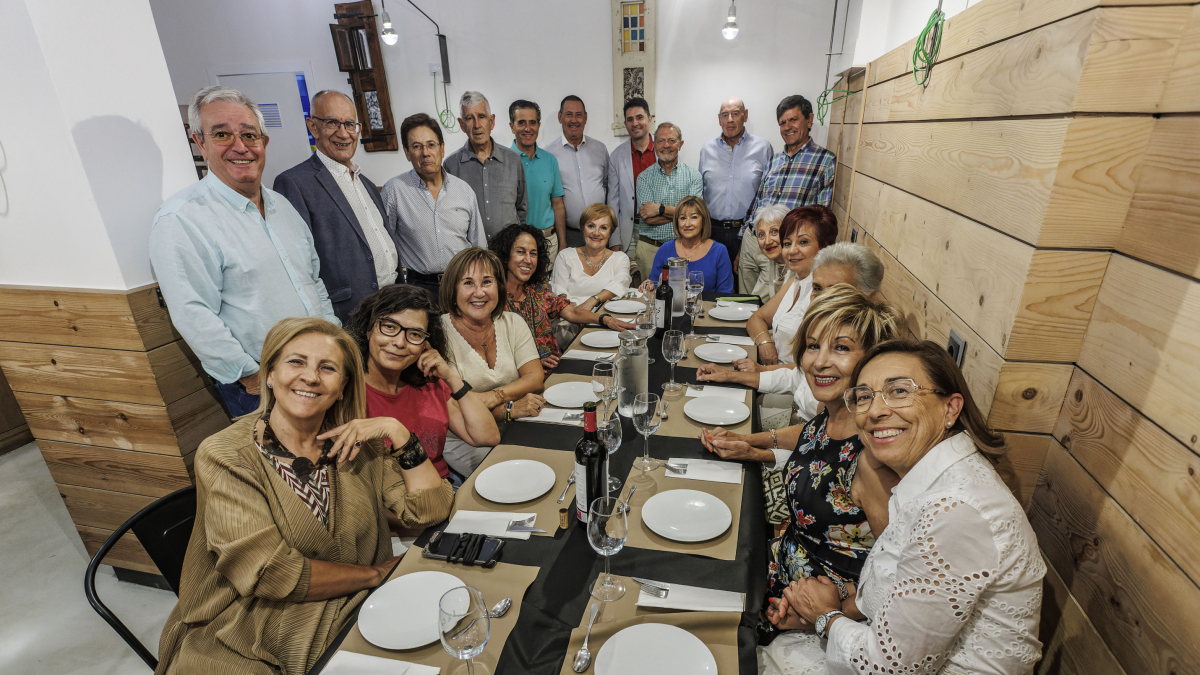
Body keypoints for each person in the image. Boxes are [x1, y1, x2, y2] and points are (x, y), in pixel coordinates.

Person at [155, 317, 453, 675]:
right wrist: (375, 575)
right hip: (252, 625)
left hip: (356, 605)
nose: (311, 377)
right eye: (296, 362)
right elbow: (271, 573)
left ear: (342, 386)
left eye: (327, 368)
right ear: (269, 374)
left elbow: (431, 511)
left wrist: (398, 431)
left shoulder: (356, 442)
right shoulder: (226, 455)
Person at [763, 339, 1044, 675]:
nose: (876, 411)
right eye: (864, 397)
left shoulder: (956, 510)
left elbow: (887, 668)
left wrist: (825, 617)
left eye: (899, 391)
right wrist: (823, 602)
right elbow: (895, 589)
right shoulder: (925, 482)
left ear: (950, 409)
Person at [699, 288, 903, 640]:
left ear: (872, 361)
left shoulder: (873, 458)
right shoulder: (836, 411)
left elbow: (896, 578)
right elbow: (811, 438)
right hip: (782, 570)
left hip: (810, 609)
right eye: (812, 346)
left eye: (841, 348)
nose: (820, 362)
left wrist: (823, 617)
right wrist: (749, 441)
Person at [150, 86, 339, 419]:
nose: (240, 147)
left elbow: (313, 281)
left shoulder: (282, 206)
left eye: (249, 135)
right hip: (261, 386)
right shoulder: (182, 218)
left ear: (264, 142)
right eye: (222, 134)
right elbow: (193, 313)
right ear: (200, 143)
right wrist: (250, 377)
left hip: (321, 370)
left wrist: (334, 342)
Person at [697, 241, 885, 419]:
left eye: (836, 291)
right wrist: (730, 375)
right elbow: (796, 378)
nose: (822, 299)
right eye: (817, 288)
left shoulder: (869, 366)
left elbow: (826, 429)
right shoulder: (820, 329)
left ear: (868, 297)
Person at [349, 284, 501, 488]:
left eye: (415, 334)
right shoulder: (349, 391)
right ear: (368, 329)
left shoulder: (429, 384)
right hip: (392, 501)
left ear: (425, 344)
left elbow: (487, 436)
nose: (400, 342)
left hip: (443, 489)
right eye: (389, 327)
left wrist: (451, 377)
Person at [274, 90, 401, 324]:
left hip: (393, 304)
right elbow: (298, 267)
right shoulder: (294, 183)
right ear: (313, 127)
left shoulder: (367, 184)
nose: (343, 133)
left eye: (350, 124)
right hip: (348, 315)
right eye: (332, 122)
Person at [438, 248, 546, 475]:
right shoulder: (439, 334)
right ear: (452, 290)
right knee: (521, 474)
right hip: (465, 438)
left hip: (516, 423)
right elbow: (455, 408)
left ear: (499, 287)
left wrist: (493, 398)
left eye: (487, 282)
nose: (479, 292)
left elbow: (535, 378)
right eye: (468, 283)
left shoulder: (513, 322)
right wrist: (507, 408)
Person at [491, 224, 635, 373]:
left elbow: (572, 312)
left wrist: (605, 319)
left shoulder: (537, 291)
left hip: (557, 369)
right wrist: (533, 362)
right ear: (505, 255)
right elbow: (493, 352)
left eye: (533, 254)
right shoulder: (493, 300)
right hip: (524, 376)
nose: (528, 260)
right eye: (521, 252)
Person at [739, 95, 837, 293]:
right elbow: (759, 200)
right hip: (753, 240)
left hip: (782, 247)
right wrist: (743, 237)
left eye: (793, 120)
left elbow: (821, 215)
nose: (787, 127)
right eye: (782, 122)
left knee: (771, 302)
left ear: (809, 120)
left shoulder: (824, 161)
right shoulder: (774, 160)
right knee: (745, 300)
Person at [382, 113, 486, 298]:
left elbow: (479, 247)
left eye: (431, 145)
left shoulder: (464, 190)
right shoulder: (395, 191)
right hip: (417, 289)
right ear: (407, 153)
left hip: (462, 285)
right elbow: (385, 247)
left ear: (442, 149)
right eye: (416, 146)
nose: (425, 153)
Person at [740, 206, 838, 372]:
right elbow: (757, 318)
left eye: (803, 242)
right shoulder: (798, 279)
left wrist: (762, 371)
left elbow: (814, 367)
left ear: (824, 246)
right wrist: (765, 343)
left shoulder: (824, 292)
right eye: (787, 243)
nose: (792, 251)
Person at [698, 97, 774, 275]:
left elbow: (768, 194)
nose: (730, 119)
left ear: (745, 116)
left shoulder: (763, 148)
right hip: (712, 232)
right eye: (725, 115)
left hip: (748, 232)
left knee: (744, 284)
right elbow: (700, 191)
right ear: (719, 119)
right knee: (712, 282)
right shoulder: (707, 149)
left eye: (735, 114)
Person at [443, 91, 527, 239]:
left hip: (508, 248)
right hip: (471, 250)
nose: (477, 125)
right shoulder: (451, 166)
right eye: (469, 118)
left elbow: (522, 207)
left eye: (481, 116)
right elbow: (449, 213)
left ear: (491, 121)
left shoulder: (513, 160)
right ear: (462, 125)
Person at [634, 122, 704, 279]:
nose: (666, 145)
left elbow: (697, 215)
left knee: (684, 292)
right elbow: (648, 218)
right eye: (661, 141)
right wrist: (684, 216)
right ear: (654, 144)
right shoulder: (644, 178)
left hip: (685, 249)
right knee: (649, 292)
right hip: (650, 249)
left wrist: (660, 209)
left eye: (672, 140)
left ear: (680, 144)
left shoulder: (693, 176)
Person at [546, 95, 609, 249]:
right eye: (569, 114)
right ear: (560, 117)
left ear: (585, 118)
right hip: (569, 235)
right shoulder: (549, 154)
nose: (574, 120)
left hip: (601, 234)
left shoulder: (600, 149)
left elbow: (607, 185)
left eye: (578, 115)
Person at [509, 99, 567, 265]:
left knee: (549, 282)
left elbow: (557, 204)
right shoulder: (505, 161)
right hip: (517, 244)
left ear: (539, 125)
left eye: (532, 122)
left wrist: (563, 244)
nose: (528, 128)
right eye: (521, 123)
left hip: (549, 243)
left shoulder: (550, 160)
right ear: (512, 127)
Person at [551, 203, 633, 306]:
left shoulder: (620, 258)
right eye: (591, 226)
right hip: (571, 313)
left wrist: (593, 301)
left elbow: (621, 284)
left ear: (610, 232)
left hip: (607, 314)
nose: (596, 233)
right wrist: (578, 313)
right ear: (582, 228)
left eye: (603, 228)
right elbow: (559, 294)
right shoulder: (565, 256)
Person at [649, 196, 733, 293]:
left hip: (708, 303)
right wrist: (648, 285)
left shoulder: (719, 251)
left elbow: (725, 294)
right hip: (671, 303)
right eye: (683, 218)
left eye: (694, 217)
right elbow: (654, 286)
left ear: (703, 220)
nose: (687, 224)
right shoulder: (665, 249)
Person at [607, 97, 656, 256]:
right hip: (629, 232)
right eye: (630, 119)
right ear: (625, 124)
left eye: (639, 117)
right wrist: (614, 240)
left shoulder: (664, 148)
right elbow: (613, 201)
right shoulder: (616, 156)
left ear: (649, 119)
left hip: (661, 229)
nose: (635, 123)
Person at [740, 204, 791, 301]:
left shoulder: (798, 268)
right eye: (761, 234)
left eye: (774, 232)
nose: (767, 242)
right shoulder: (775, 263)